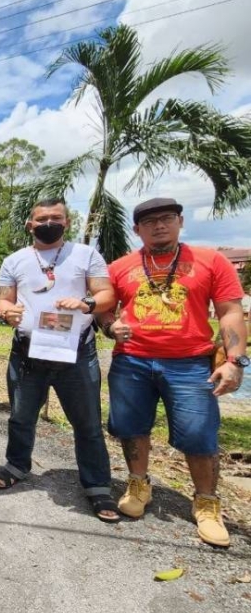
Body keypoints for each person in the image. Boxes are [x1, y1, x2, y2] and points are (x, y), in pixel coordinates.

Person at [101, 197, 248, 547]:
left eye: (167, 218)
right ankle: (138, 484)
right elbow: (103, 310)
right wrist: (109, 326)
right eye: (149, 222)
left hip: (190, 363)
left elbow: (229, 311)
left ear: (180, 221)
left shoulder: (211, 261)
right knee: (130, 428)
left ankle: (207, 502)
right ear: (137, 230)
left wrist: (235, 360)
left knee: (199, 434)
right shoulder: (120, 268)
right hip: (132, 360)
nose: (159, 226)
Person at [0, 197, 119, 523]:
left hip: (75, 351)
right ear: (30, 225)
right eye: (42, 218)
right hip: (27, 353)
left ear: (67, 222)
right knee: (20, 416)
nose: (49, 222)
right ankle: (16, 465)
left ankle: (97, 485)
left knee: (87, 422)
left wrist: (86, 304)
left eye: (56, 217)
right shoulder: (15, 260)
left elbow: (107, 295)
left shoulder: (86, 255)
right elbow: (3, 301)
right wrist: (8, 312)